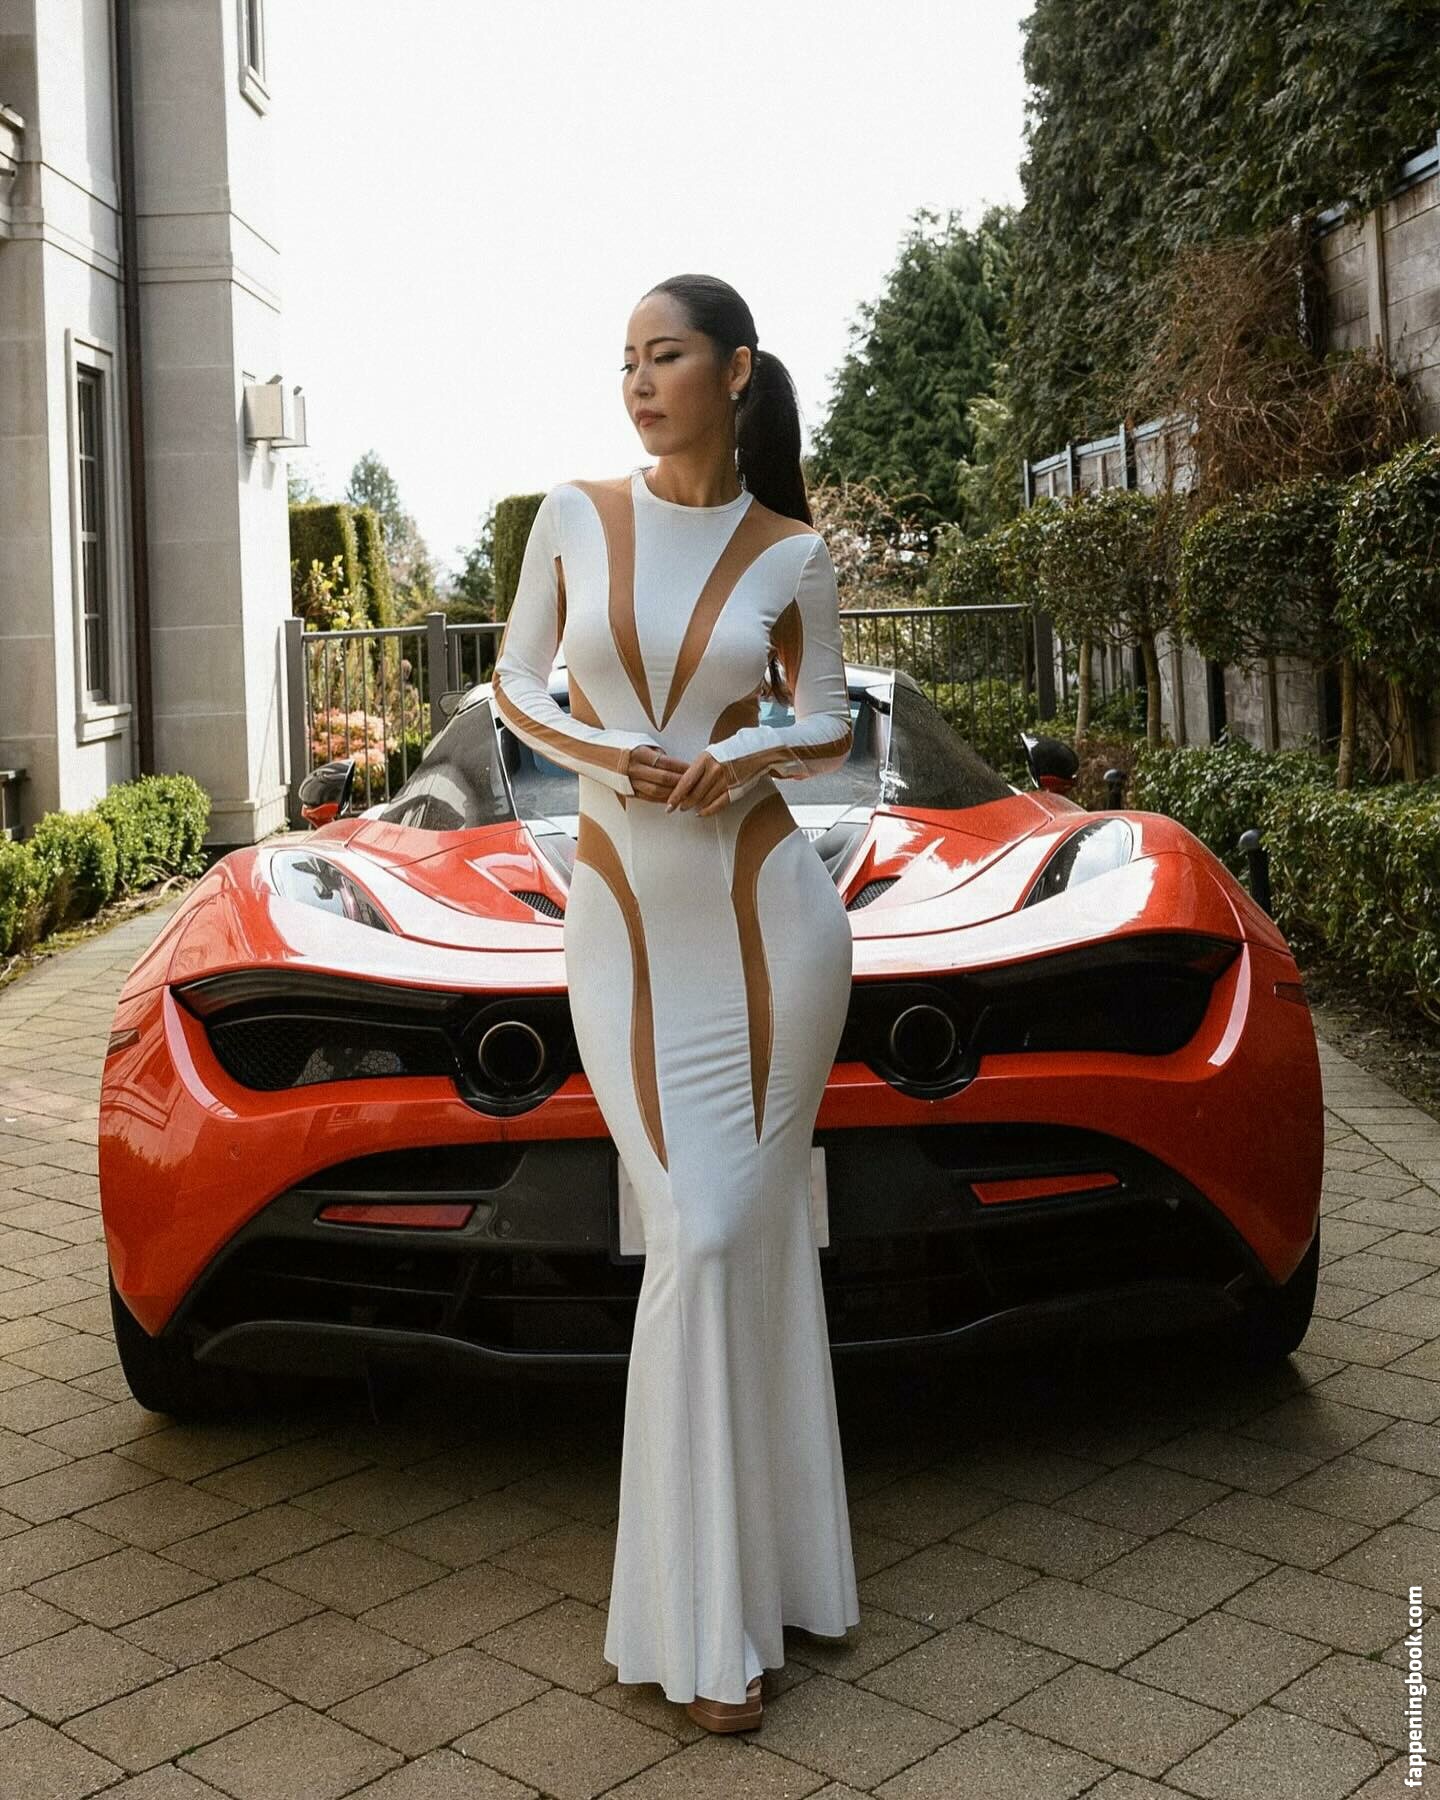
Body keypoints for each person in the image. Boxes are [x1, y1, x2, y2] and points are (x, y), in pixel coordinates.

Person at [490, 273, 860, 1732]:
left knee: (745, 1241)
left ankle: (761, 1598)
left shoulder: (794, 552)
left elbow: (829, 722)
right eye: (627, 360)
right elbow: (514, 682)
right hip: (625, 927)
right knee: (695, 1231)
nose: (640, 381)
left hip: (775, 931)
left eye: (668, 355)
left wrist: (746, 754)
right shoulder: (574, 515)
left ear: (737, 370)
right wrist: (613, 752)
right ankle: (703, 1615)